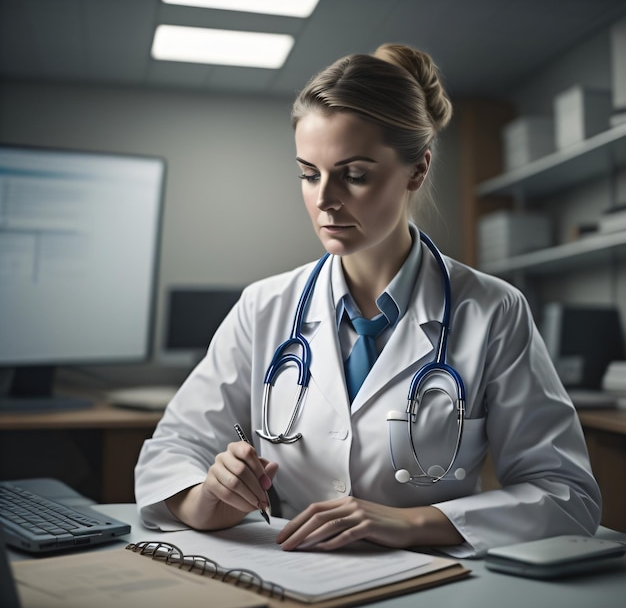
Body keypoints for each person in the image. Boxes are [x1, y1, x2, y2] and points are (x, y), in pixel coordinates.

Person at [135, 43, 601, 558]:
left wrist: (411, 523)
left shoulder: (493, 311)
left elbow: (566, 495)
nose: (325, 200)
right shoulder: (264, 307)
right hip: (289, 578)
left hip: (430, 589)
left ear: (417, 171)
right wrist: (208, 501)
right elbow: (170, 454)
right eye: (309, 175)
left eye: (354, 174)